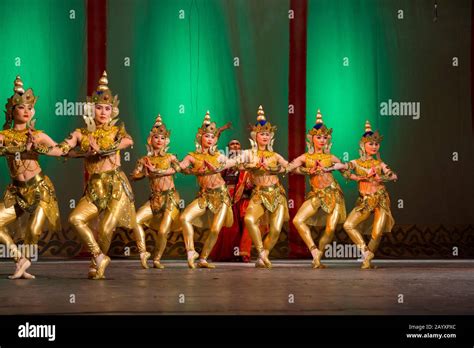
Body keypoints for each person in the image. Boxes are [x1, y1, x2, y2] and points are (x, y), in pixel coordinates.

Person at [0, 76, 61, 279]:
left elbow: (60, 151)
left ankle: (23, 263)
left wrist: (38, 148)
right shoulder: (3, 136)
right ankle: (20, 260)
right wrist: (15, 148)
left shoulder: (37, 135)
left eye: (29, 107)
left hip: (39, 188)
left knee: (33, 230)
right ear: (12, 111)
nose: (26, 111)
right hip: (17, 191)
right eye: (21, 107)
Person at [286, 110, 346, 268]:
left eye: (325, 137)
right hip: (316, 195)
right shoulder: (305, 157)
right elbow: (289, 168)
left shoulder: (331, 157)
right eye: (318, 137)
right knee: (298, 220)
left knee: (331, 227)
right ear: (311, 138)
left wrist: (340, 166)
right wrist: (306, 171)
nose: (322, 140)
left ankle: (318, 257)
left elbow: (347, 173)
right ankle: (314, 251)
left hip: (333, 194)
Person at [342, 120, 398, 269]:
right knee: (348, 225)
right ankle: (366, 252)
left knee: (377, 232)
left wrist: (383, 177)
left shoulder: (380, 164)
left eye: (376, 144)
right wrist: (356, 177)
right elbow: (344, 170)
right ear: (363, 145)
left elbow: (393, 176)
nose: (374, 147)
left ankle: (367, 262)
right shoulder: (355, 162)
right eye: (371, 144)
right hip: (365, 201)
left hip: (381, 200)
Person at [130, 115, 181, 269]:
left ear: (166, 141)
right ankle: (143, 252)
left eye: (162, 138)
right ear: (150, 140)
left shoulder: (171, 157)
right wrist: (145, 173)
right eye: (156, 137)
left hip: (171, 198)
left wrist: (159, 171)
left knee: (163, 230)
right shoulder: (144, 160)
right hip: (155, 199)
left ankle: (157, 258)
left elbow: (179, 169)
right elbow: (134, 176)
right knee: (135, 220)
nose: (159, 140)